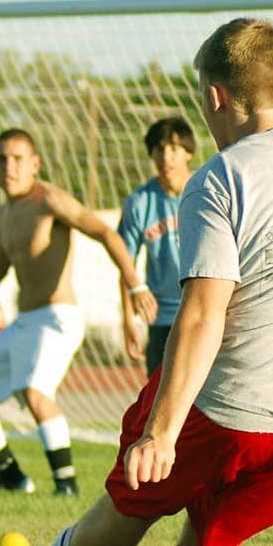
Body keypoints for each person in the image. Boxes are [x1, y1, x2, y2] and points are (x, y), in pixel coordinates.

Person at [0, 17, 273, 546]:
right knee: (212, 536)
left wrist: (161, 432)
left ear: (215, 97)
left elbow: (202, 312)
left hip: (223, 405)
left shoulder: (220, 178)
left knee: (129, 508)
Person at [0, 129, 155, 496]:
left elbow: (106, 234)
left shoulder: (50, 199)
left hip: (58, 318)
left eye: (17, 159)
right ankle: (13, 479)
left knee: (35, 392)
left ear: (35, 164)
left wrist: (135, 284)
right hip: (24, 321)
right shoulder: (5, 213)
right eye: (1, 159)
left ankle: (67, 485)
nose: (9, 167)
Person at [117, 117, 196, 374]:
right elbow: (125, 262)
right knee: (159, 395)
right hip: (161, 319)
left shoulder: (206, 192)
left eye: (174, 149)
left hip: (203, 312)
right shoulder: (139, 203)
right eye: (159, 149)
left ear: (189, 152)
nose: (166, 157)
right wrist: (128, 320)